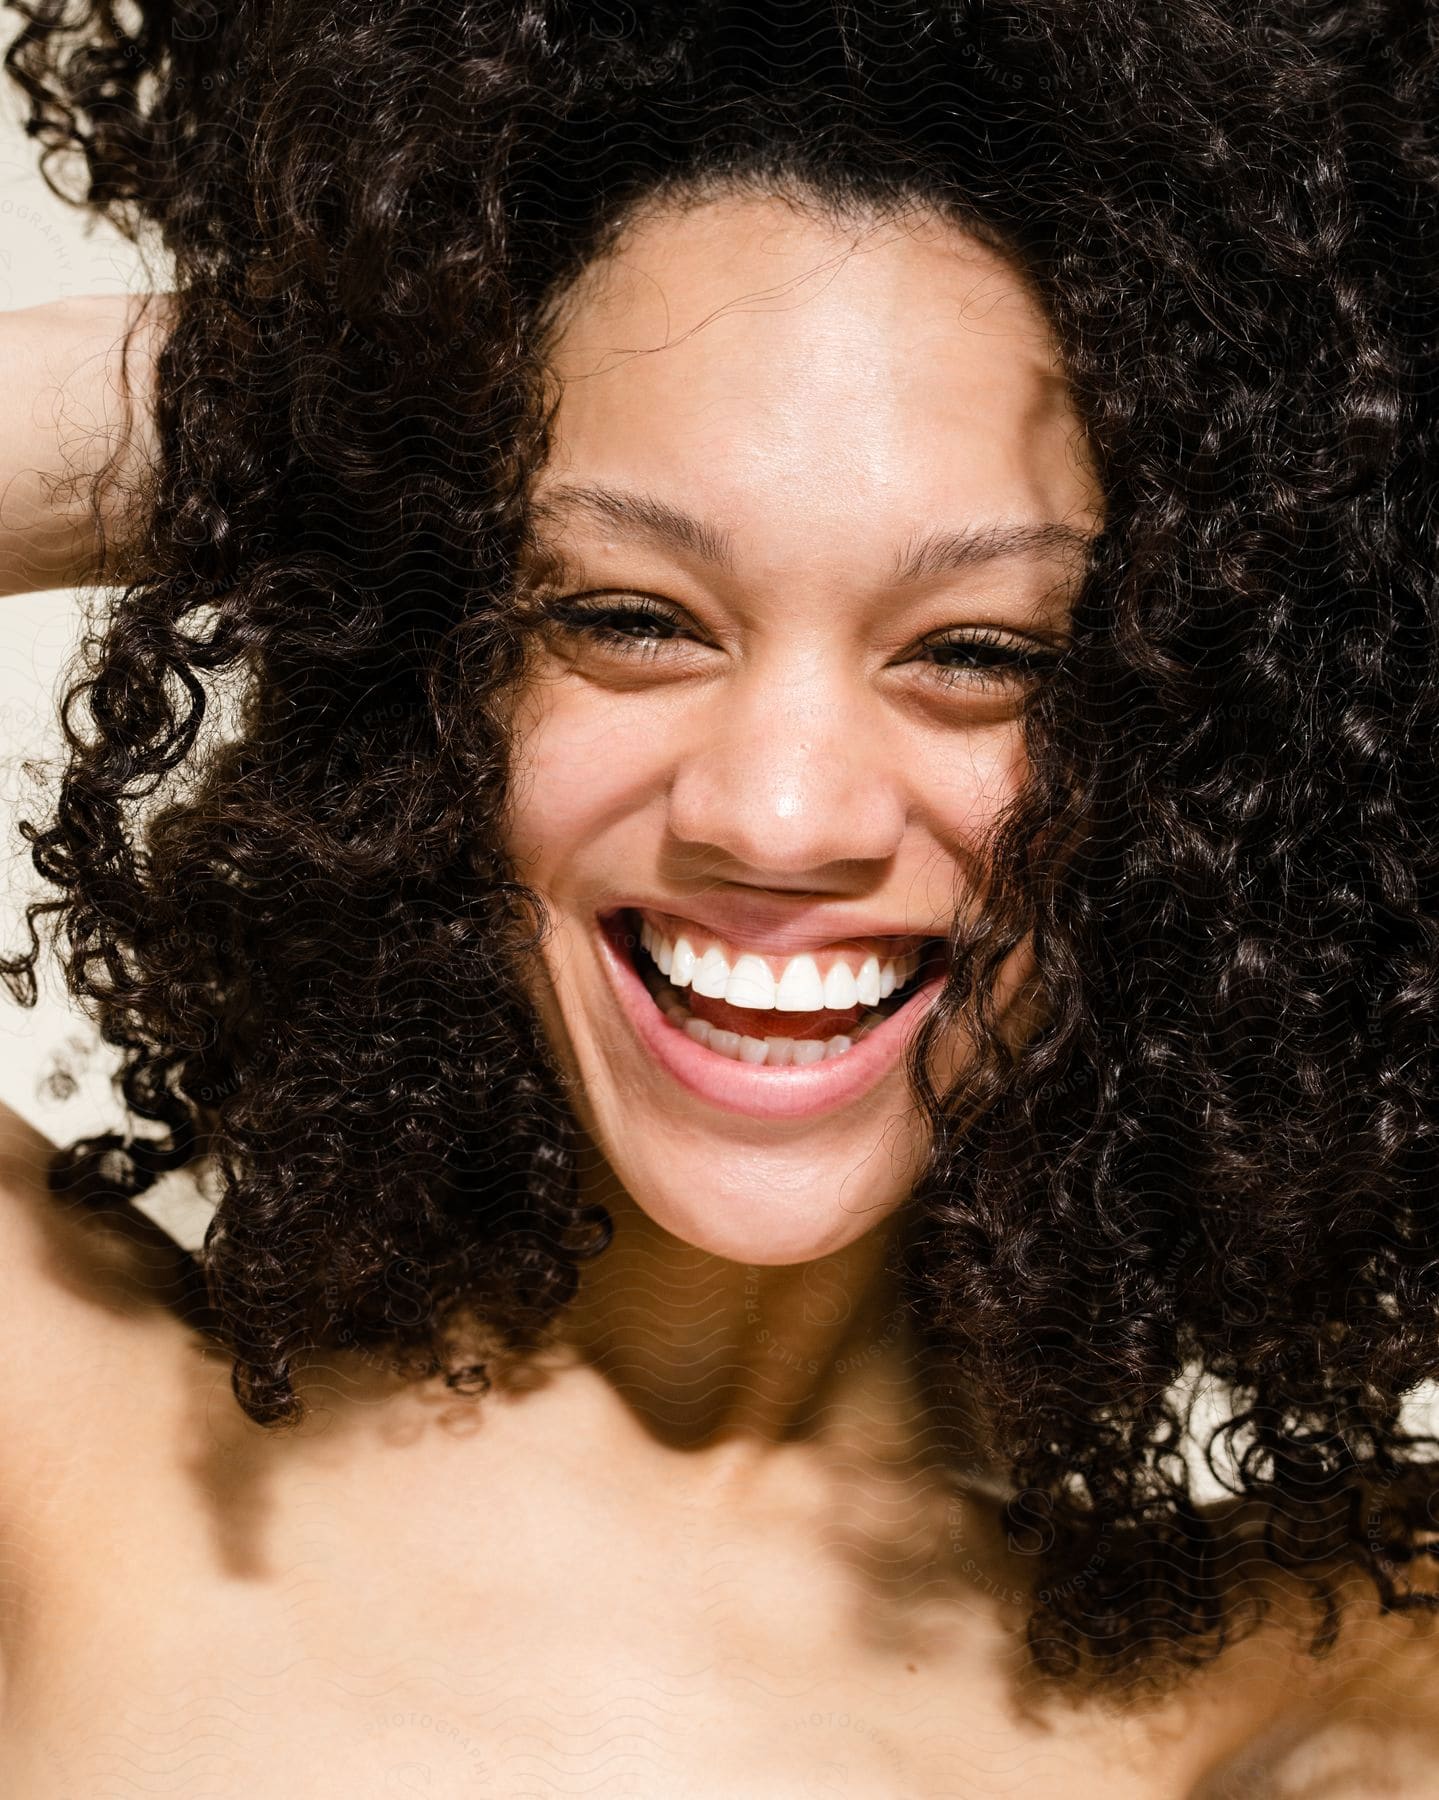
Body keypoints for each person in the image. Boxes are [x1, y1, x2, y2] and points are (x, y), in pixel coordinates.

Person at [0, 2, 1437, 1793]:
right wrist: (292, 413)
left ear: (1232, 753)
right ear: (426, 671)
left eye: (983, 654)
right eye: (624, 616)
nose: (776, 811)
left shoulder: (1325, 1678)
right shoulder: (64, 1442)